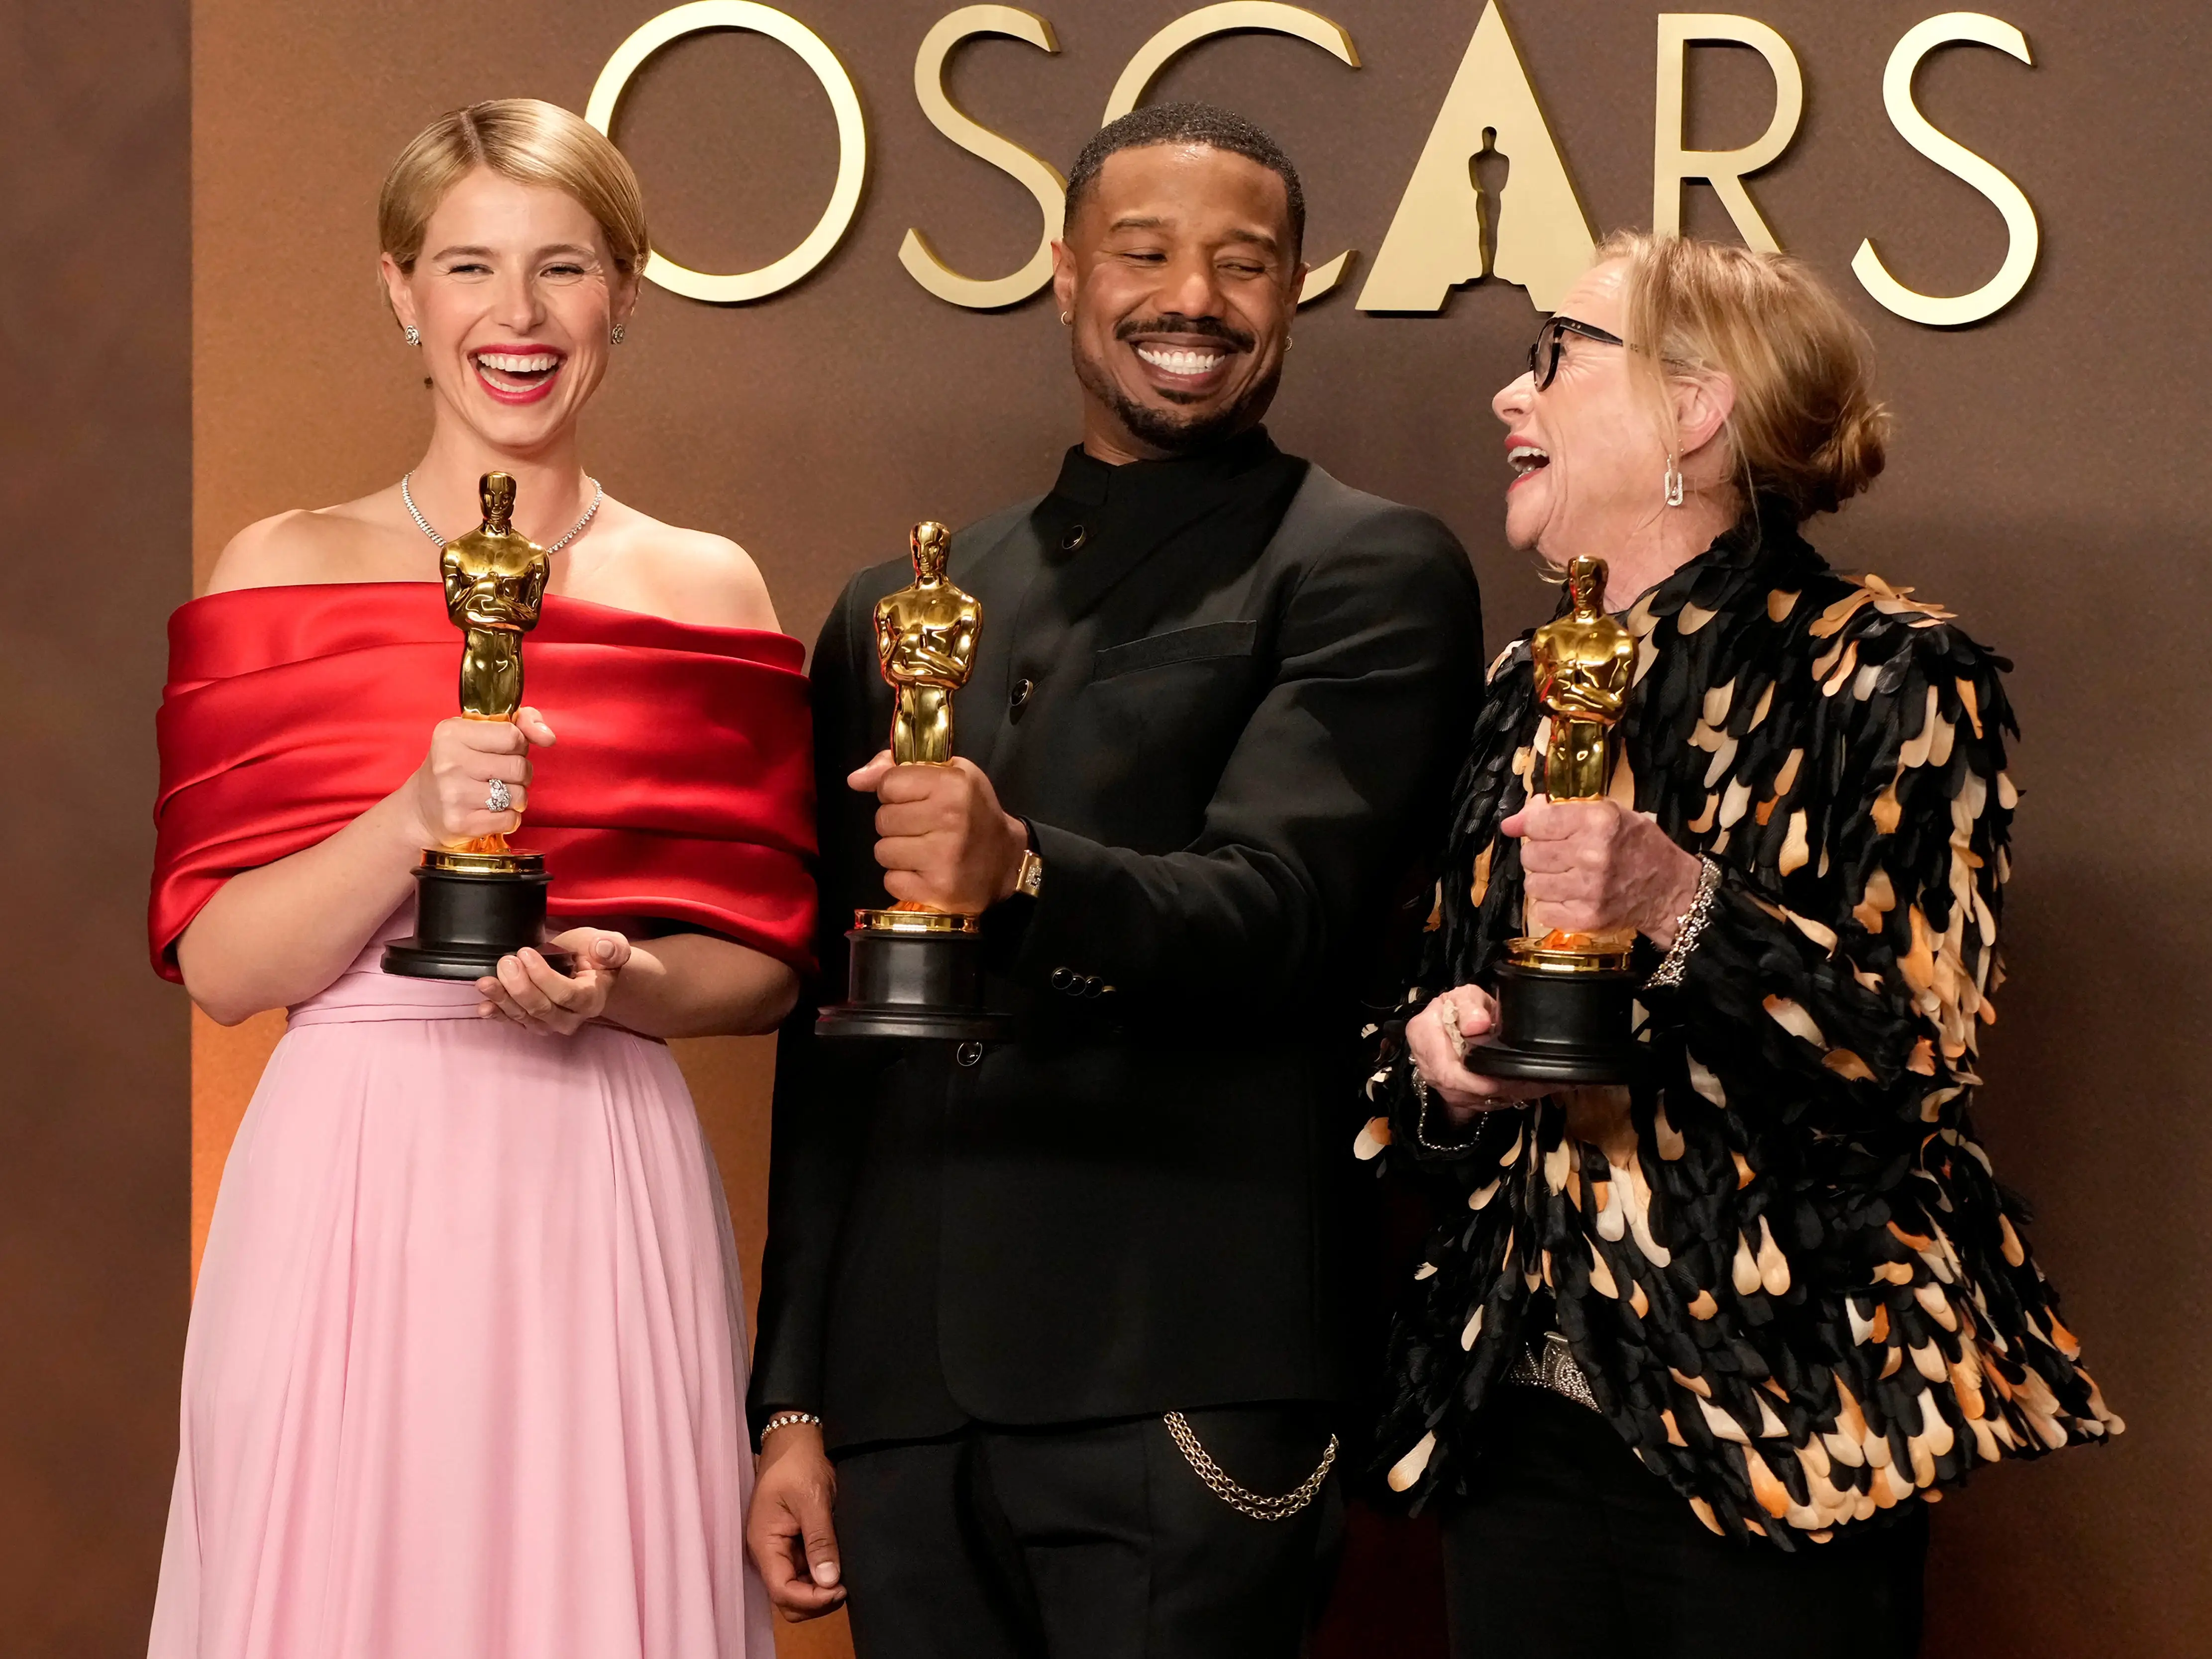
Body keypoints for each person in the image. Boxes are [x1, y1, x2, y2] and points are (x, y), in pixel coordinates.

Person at [743, 104, 1484, 1658]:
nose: (1191, 299)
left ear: (1294, 292)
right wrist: (793, 1396)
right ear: (1066, 273)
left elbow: (1286, 915)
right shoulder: (894, 610)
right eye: (1144, 254)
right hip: (902, 1397)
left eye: (1242, 263)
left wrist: (1020, 873)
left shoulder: (1366, 566)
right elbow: (831, 1038)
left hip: (1183, 1369)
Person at [1364, 232, 2122, 1659]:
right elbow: (1426, 1032)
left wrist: (1676, 902)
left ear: (1696, 409)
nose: (1509, 394)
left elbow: (1910, 1064)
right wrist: (1439, 1064)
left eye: (1555, 356)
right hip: (1516, 1418)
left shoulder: (1889, 673)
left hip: (1785, 1432)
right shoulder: (1524, 688)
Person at [146, 99, 811, 1659]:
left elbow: (771, 964)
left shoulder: (706, 585)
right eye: (468, 266)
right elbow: (227, 969)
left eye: (562, 267)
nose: (517, 316)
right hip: (349, 1171)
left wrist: (626, 982)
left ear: (623, 294)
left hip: (601, 1166)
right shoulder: (279, 568)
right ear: (401, 291)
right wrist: (404, 817)